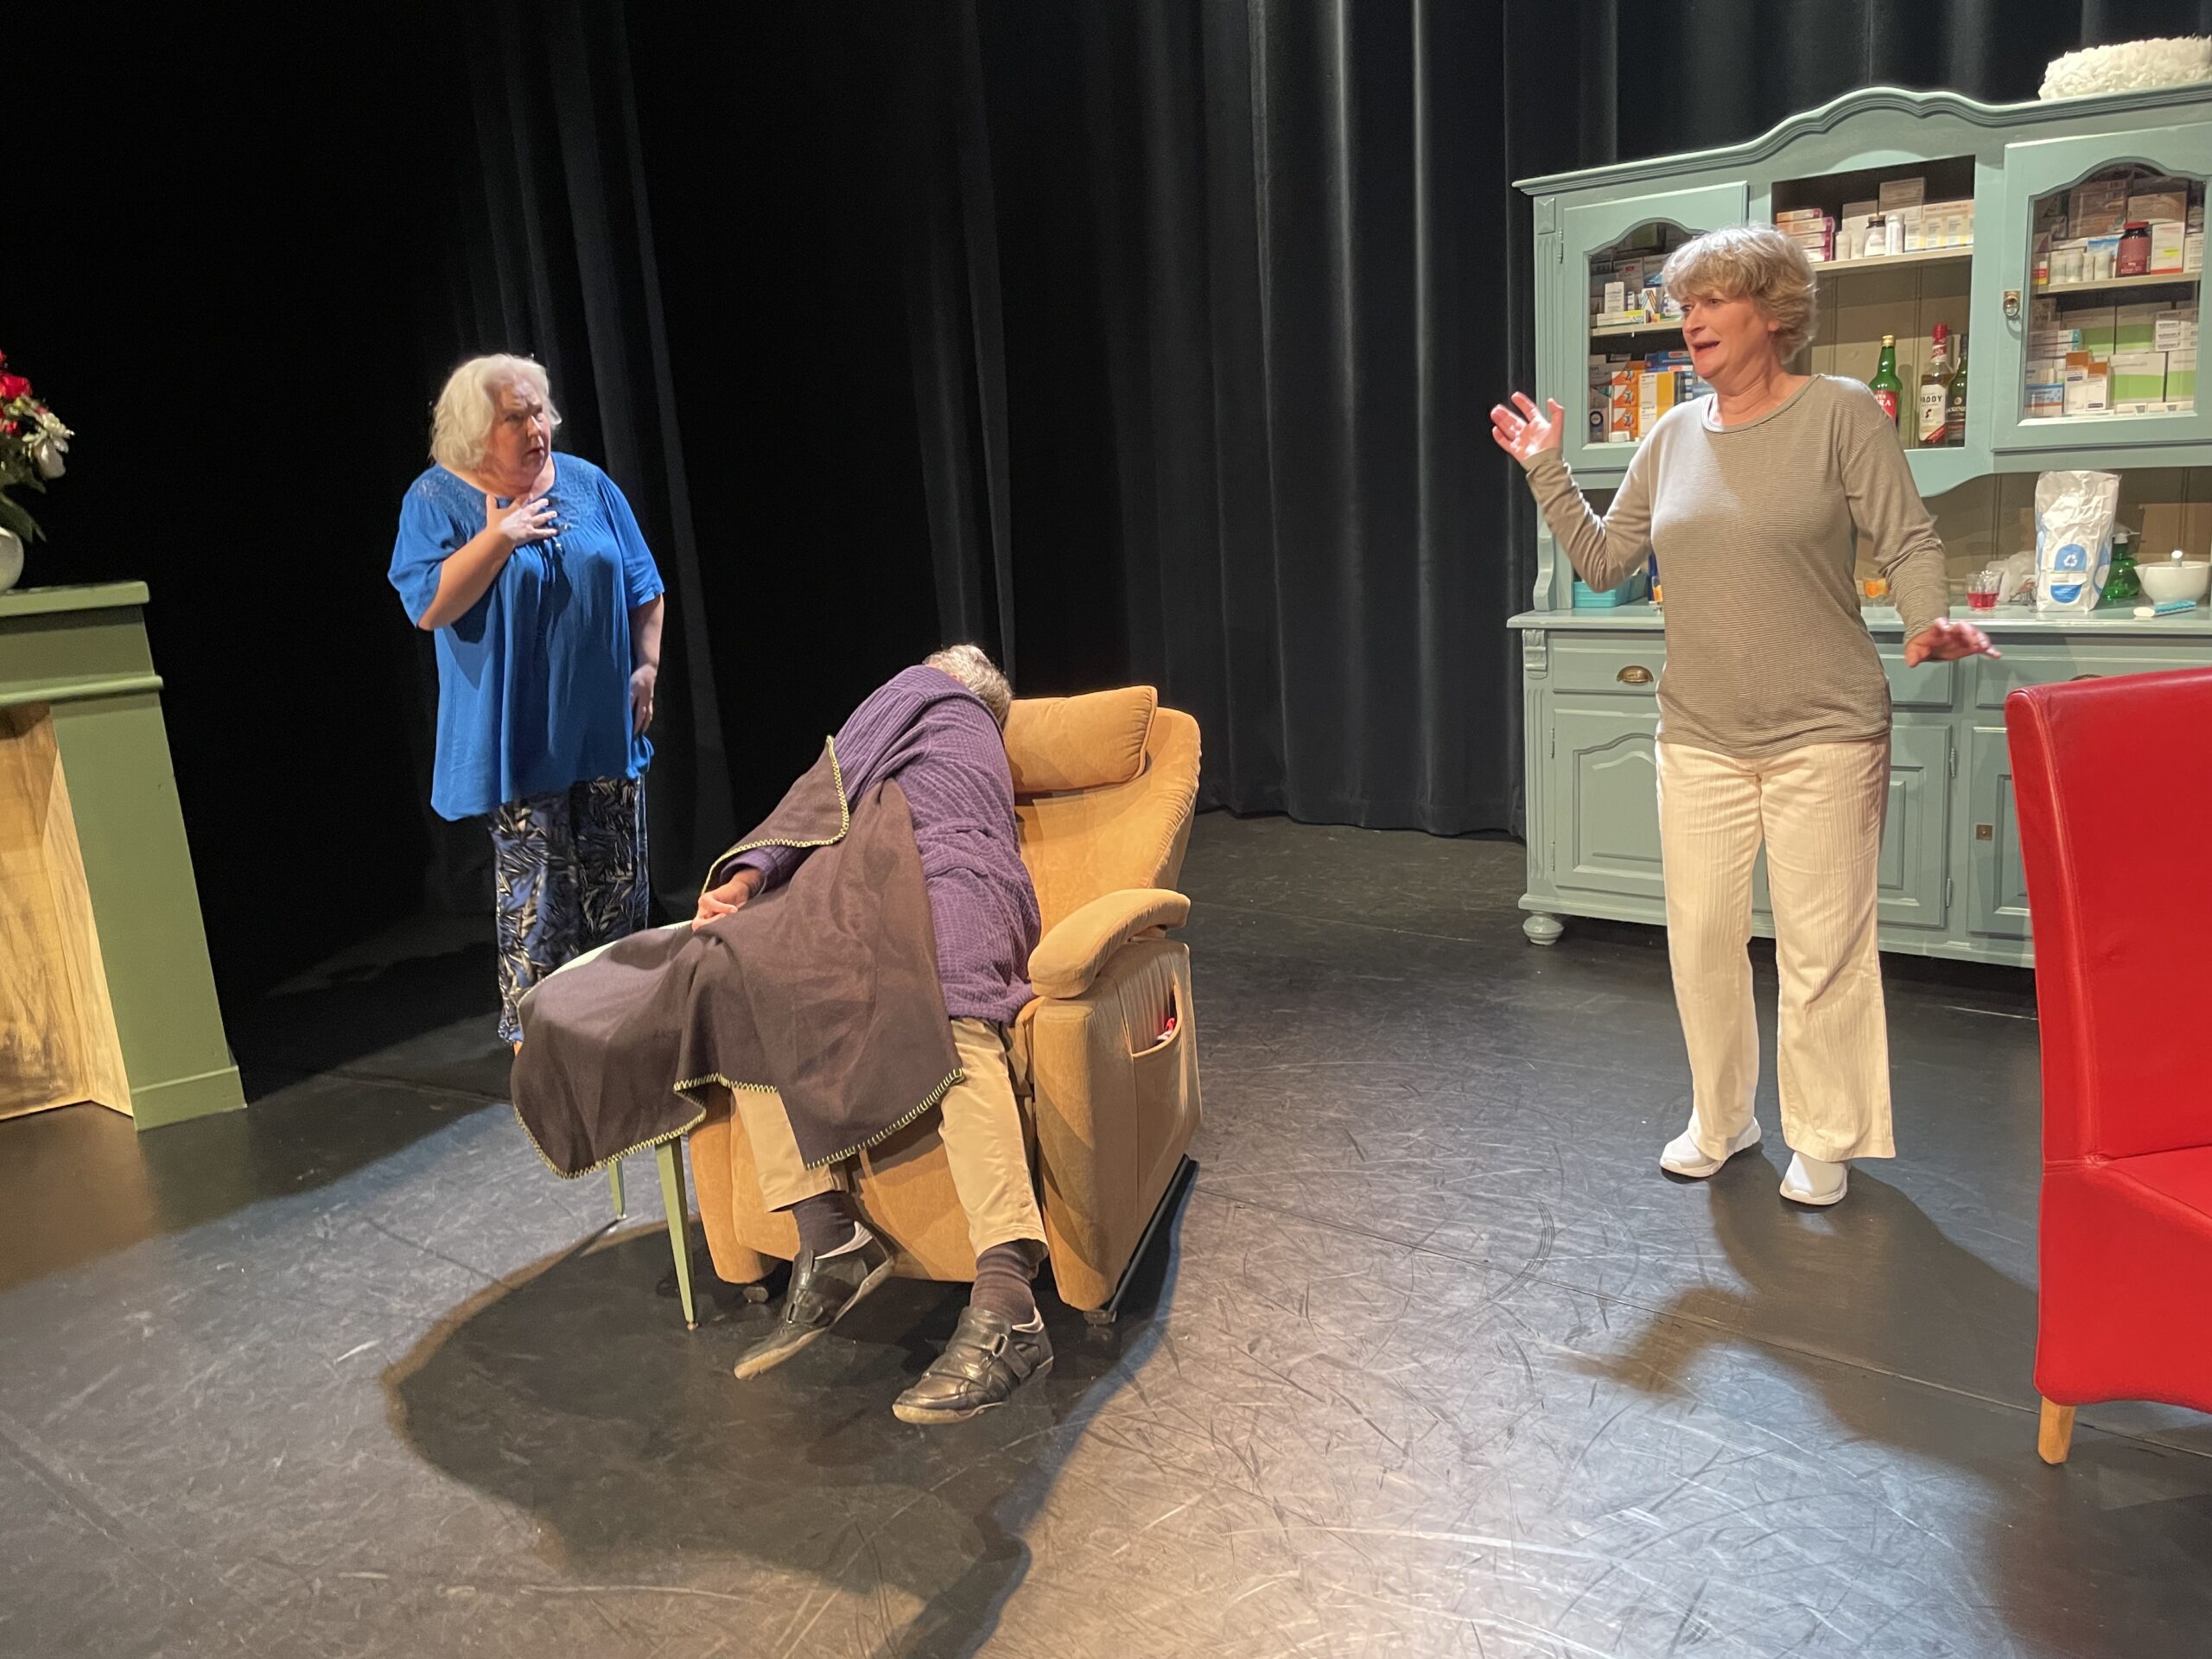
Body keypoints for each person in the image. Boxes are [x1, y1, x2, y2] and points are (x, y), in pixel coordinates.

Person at [1491, 225, 1996, 1209]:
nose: (1693, 320)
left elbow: (1908, 539)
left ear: (1773, 311)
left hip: (1826, 727)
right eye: (1686, 304)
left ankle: (1826, 1135)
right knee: (1702, 941)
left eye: (1714, 299)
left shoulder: (1841, 413)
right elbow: (1604, 561)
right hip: (1700, 734)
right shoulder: (1671, 436)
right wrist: (1547, 467)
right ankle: (1723, 1117)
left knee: (1821, 948)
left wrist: (1926, 620)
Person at [694, 645, 1053, 1423]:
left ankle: (1009, 1303)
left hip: (945, 878)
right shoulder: (963, 740)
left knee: (952, 1011)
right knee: (749, 985)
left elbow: (825, 788)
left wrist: (748, 876)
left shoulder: (931, 694)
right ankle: (832, 1240)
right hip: (883, 892)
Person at [389, 354, 666, 1049]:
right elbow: (429, 605)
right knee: (539, 907)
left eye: (539, 411)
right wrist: (498, 538)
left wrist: (647, 667)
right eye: (516, 417)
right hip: (519, 738)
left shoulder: (588, 484)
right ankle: (542, 1053)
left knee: (617, 894)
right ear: (475, 429)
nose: (537, 428)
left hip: (601, 727)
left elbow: (644, 584)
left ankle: (628, 1041)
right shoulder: (436, 499)